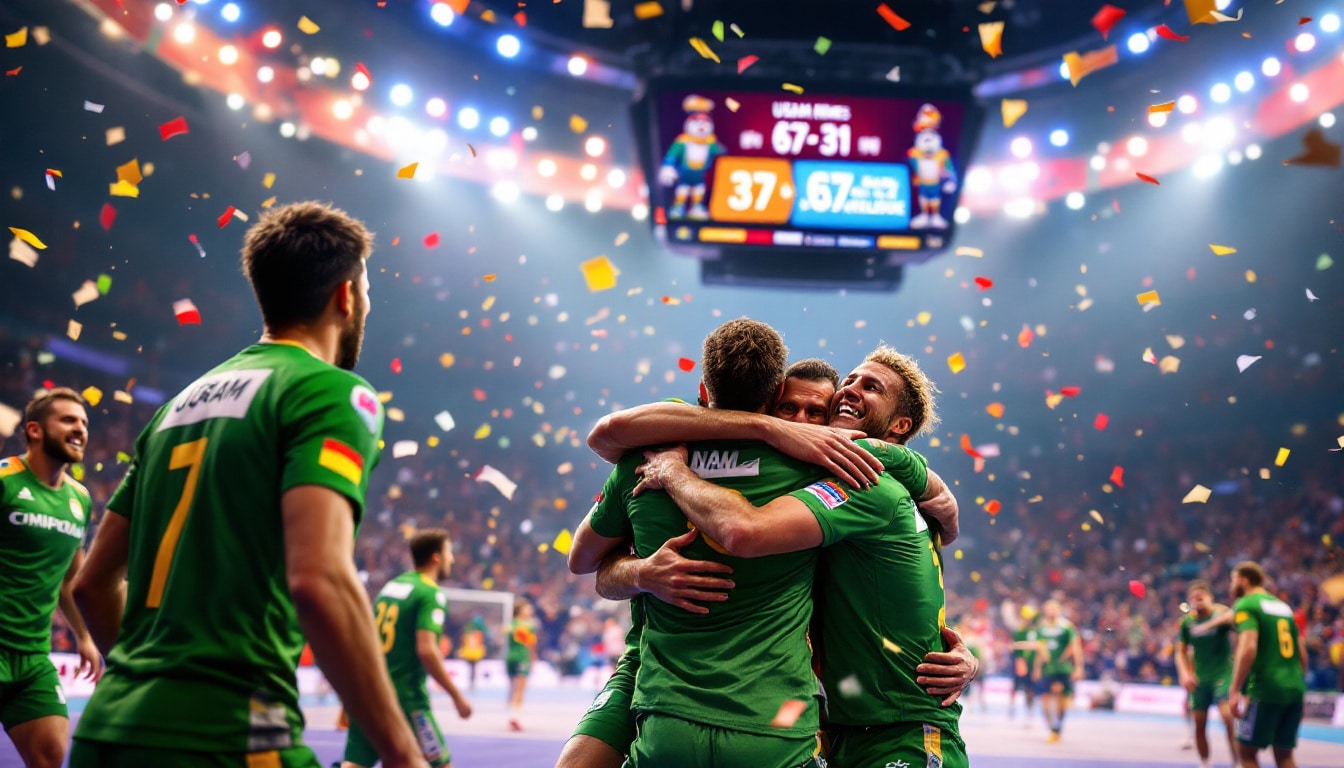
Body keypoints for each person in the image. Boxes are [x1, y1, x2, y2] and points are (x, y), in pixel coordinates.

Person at [70, 201, 429, 768]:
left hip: (106, 731)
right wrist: (404, 752)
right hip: (229, 734)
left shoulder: (175, 409)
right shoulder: (330, 392)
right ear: (346, 296)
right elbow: (319, 580)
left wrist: (153, 689)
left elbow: (91, 584)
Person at [630, 345, 972, 768]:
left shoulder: (867, 483)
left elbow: (745, 531)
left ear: (900, 425)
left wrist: (676, 471)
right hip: (843, 730)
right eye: (849, 381)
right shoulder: (823, 485)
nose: (850, 390)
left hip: (900, 732)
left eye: (871, 387)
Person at [0, 388, 101, 768]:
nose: (80, 430)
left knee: (50, 757)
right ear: (35, 430)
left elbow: (70, 580)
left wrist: (85, 637)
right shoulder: (5, 480)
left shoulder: (80, 500)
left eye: (84, 423)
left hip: (32, 660)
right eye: (69, 420)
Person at [340, 529, 472, 768]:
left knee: (355, 763)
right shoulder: (430, 593)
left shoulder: (391, 587)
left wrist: (349, 697)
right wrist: (457, 696)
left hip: (369, 692)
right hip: (406, 699)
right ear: (436, 557)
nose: (452, 559)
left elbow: (366, 640)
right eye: (449, 552)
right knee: (440, 764)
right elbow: (427, 650)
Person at [1228, 561, 1306, 768]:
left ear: (1243, 580)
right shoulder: (1284, 608)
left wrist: (1235, 688)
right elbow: (1302, 652)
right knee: (1285, 755)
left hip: (1266, 688)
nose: (1231, 586)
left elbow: (1248, 648)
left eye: (1233, 580)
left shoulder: (1246, 604)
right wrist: (1296, 683)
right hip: (1294, 688)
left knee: (1245, 752)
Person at [1176, 580, 1236, 768]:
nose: (1197, 601)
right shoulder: (1187, 623)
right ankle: (1205, 763)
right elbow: (1180, 652)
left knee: (1227, 718)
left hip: (1222, 676)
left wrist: (1216, 615)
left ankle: (1237, 762)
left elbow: (1237, 615)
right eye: (1194, 598)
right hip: (1200, 679)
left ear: (1210, 598)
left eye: (1201, 597)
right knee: (1199, 725)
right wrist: (1184, 673)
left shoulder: (1222, 615)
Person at [1032, 598, 1084, 743]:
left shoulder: (1067, 627)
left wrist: (1079, 667)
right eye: (1049, 609)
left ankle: (1058, 725)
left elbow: (1075, 646)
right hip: (1048, 668)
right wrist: (1037, 668)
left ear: (1059, 611)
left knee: (1063, 701)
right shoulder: (1041, 628)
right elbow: (1039, 648)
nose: (1051, 612)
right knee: (1044, 699)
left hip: (1064, 668)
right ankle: (1052, 727)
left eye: (1054, 609)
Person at [506, 601, 538, 731]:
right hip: (522, 657)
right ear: (520, 610)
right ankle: (515, 716)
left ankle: (513, 713)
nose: (530, 611)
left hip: (510, 657)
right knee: (520, 688)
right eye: (528, 608)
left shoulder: (511, 624)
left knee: (513, 688)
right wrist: (533, 659)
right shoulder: (528, 625)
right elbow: (531, 644)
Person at [1009, 606, 1039, 722]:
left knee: (1030, 688)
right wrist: (1019, 662)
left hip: (1032, 664)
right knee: (1015, 687)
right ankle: (1011, 708)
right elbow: (1013, 649)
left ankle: (1030, 710)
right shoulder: (1020, 631)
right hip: (1021, 663)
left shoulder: (1036, 631)